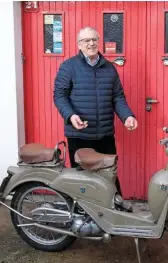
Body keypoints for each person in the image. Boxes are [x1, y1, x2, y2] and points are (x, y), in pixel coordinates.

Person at [53, 26, 137, 195]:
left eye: (94, 39)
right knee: (82, 181)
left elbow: (117, 97)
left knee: (109, 178)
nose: (91, 43)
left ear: (99, 42)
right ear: (79, 44)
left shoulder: (109, 68)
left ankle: (113, 215)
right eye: (86, 40)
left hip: (105, 135)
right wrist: (71, 115)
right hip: (79, 135)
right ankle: (80, 217)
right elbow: (59, 96)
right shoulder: (69, 67)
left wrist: (127, 116)